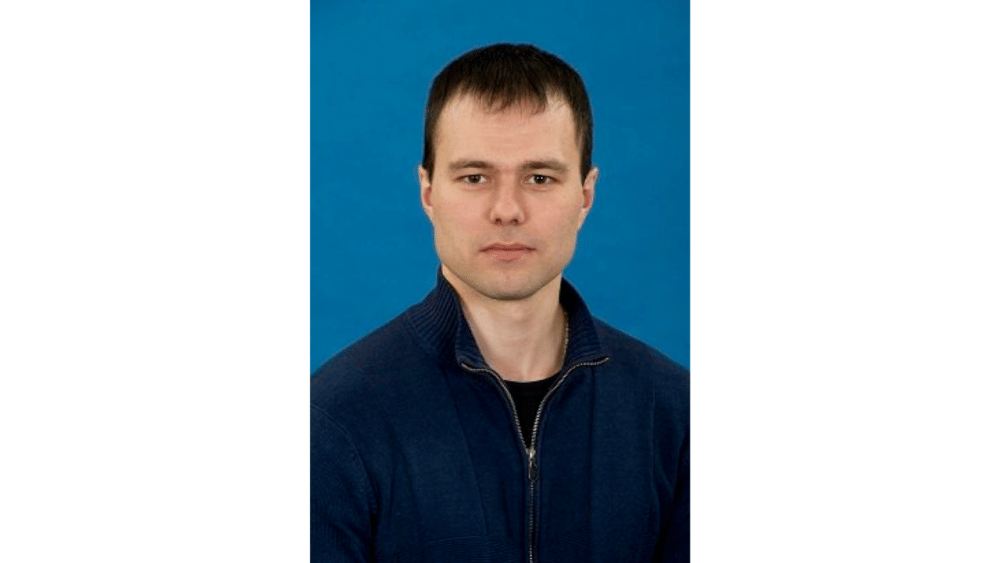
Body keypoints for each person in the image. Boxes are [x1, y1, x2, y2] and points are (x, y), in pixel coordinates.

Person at [311, 43, 689, 562]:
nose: (507, 210)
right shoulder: (333, 420)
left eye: (539, 178)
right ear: (428, 192)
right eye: (474, 177)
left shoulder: (675, 414)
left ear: (585, 195)